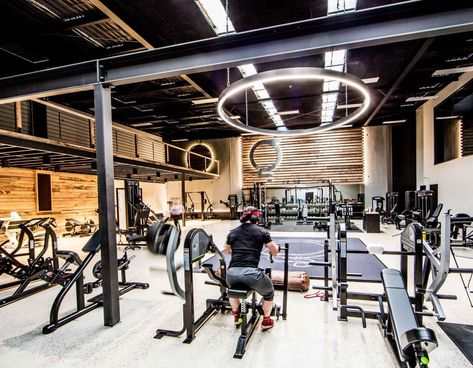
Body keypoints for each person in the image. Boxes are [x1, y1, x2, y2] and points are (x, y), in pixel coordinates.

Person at [225, 206, 279, 330]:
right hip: (251, 274)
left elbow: (227, 251)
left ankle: (236, 317)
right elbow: (274, 251)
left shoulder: (232, 232)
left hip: (231, 274)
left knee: (232, 290)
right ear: (256, 217)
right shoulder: (262, 232)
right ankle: (266, 321)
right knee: (269, 292)